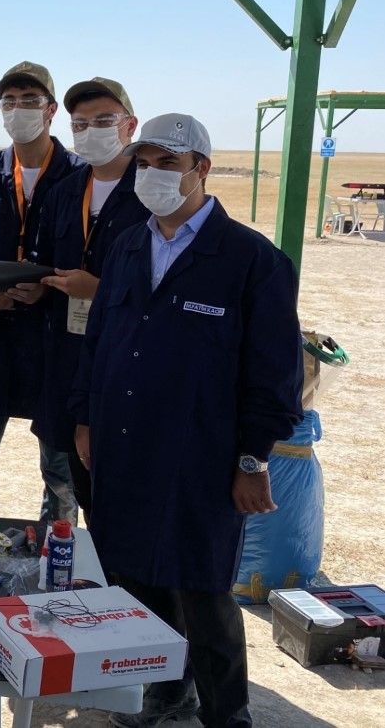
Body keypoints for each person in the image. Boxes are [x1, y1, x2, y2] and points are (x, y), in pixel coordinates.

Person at [70, 114, 302, 728]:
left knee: (202, 588)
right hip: (125, 443)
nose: (152, 174)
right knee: (136, 576)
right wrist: (85, 418)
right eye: (143, 163)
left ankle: (228, 716)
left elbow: (274, 378)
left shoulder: (253, 261)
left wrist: (252, 459)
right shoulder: (127, 245)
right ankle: (169, 694)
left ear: (202, 168)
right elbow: (98, 341)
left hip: (202, 453)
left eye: (167, 163)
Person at [0, 61, 83, 521]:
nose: (18, 109)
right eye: (9, 101)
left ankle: (56, 549)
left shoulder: (78, 174)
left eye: (30, 100)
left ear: (51, 110)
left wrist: (46, 292)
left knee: (59, 469)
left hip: (53, 338)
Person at [33, 78, 148, 523]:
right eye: (80, 124)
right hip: (64, 355)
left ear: (130, 126)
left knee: (113, 479)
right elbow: (45, 262)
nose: (89, 131)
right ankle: (63, 555)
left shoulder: (151, 192)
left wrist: (99, 291)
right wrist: (32, 286)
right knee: (58, 472)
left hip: (124, 357)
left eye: (103, 120)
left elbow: (166, 285)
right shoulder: (63, 192)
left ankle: (112, 560)